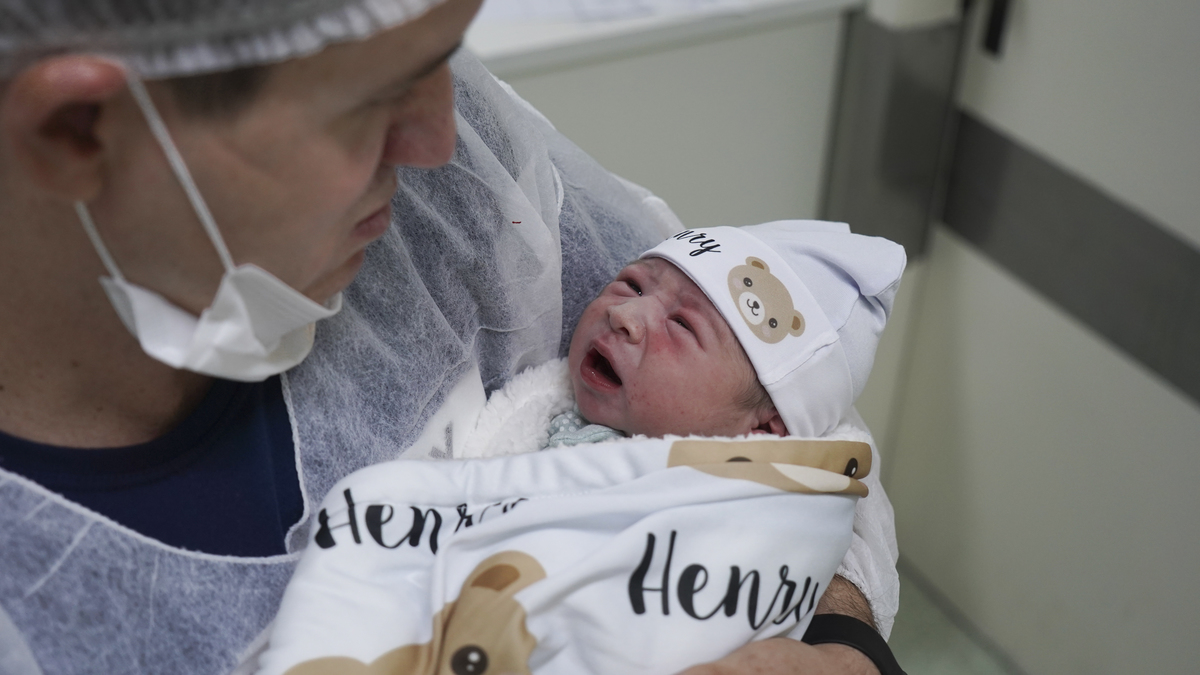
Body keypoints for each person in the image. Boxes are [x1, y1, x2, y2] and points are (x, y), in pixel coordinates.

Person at [0, 1, 899, 673]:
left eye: (446, 58)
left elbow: (795, 418)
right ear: (79, 127)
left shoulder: (455, 186)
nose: (442, 137)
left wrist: (842, 643)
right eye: (374, 98)